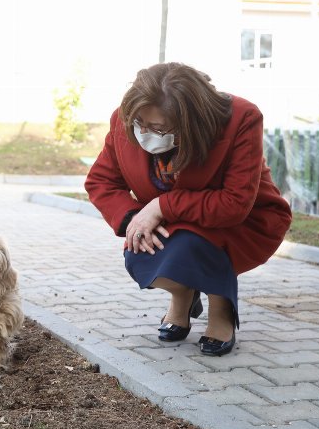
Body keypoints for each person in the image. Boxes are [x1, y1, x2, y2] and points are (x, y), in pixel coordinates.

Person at [85, 62, 292, 356]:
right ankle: (183, 293)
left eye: (158, 128)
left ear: (189, 121)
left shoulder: (240, 118)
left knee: (193, 245)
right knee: (139, 254)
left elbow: (234, 203)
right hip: (174, 222)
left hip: (242, 221)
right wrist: (135, 218)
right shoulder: (125, 119)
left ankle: (221, 306)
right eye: (139, 124)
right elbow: (101, 180)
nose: (144, 133)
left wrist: (161, 205)